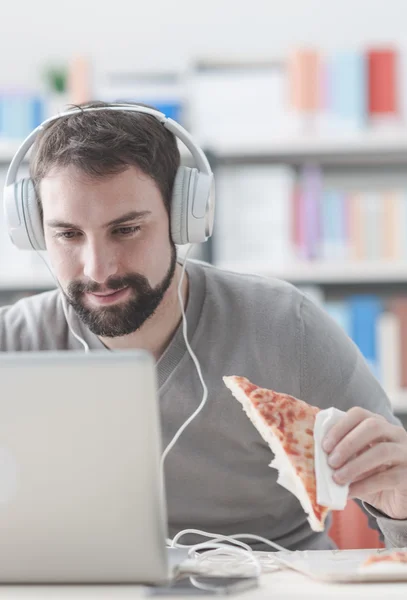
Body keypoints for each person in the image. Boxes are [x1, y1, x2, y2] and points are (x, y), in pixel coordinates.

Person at [1, 101, 407, 552]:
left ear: (184, 217)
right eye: (68, 235)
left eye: (127, 229)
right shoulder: (12, 343)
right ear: (35, 232)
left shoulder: (285, 326)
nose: (98, 269)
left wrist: (401, 507)